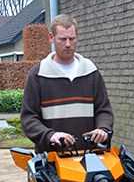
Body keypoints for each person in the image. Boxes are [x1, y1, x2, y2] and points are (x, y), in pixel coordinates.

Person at [21, 14, 113, 151]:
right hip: (51, 159)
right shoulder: (38, 75)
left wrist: (103, 129)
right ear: (51, 38)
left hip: (90, 156)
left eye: (72, 39)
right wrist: (50, 135)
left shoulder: (90, 71)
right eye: (62, 39)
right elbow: (29, 118)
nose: (68, 44)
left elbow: (103, 109)